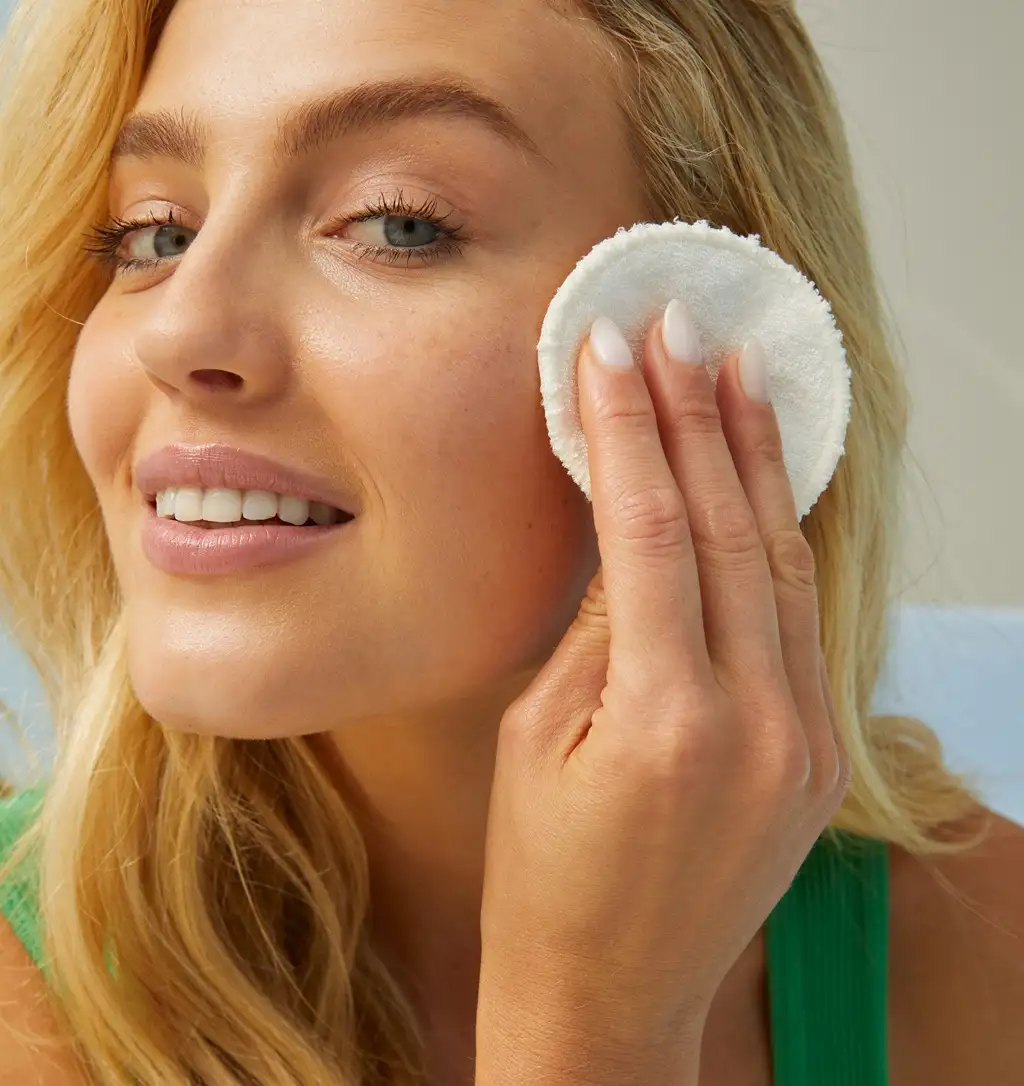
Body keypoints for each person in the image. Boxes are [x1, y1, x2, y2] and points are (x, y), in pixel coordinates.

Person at [0, 0, 1021, 1083]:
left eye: (399, 223)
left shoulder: (989, 957)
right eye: (154, 233)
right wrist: (594, 1031)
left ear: (727, 339)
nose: (178, 330)